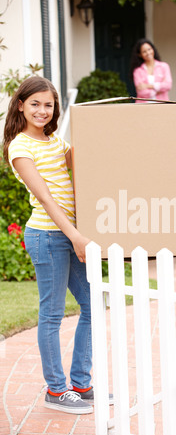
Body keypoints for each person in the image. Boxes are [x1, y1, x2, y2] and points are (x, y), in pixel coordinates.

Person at [3, 76, 96, 415]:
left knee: (94, 305)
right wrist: (75, 236)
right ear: (21, 106)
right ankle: (56, 390)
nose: (42, 110)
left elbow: (87, 168)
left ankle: (81, 385)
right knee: (53, 314)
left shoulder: (55, 141)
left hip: (72, 234)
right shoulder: (20, 146)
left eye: (49, 104)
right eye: (35, 104)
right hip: (48, 236)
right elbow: (45, 198)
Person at [130, 38, 172, 102]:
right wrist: (159, 88)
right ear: (140, 55)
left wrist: (148, 86)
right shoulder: (138, 71)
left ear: (153, 49)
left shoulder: (164, 66)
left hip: (162, 105)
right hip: (143, 107)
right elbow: (141, 92)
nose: (148, 53)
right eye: (144, 51)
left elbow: (168, 85)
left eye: (149, 49)